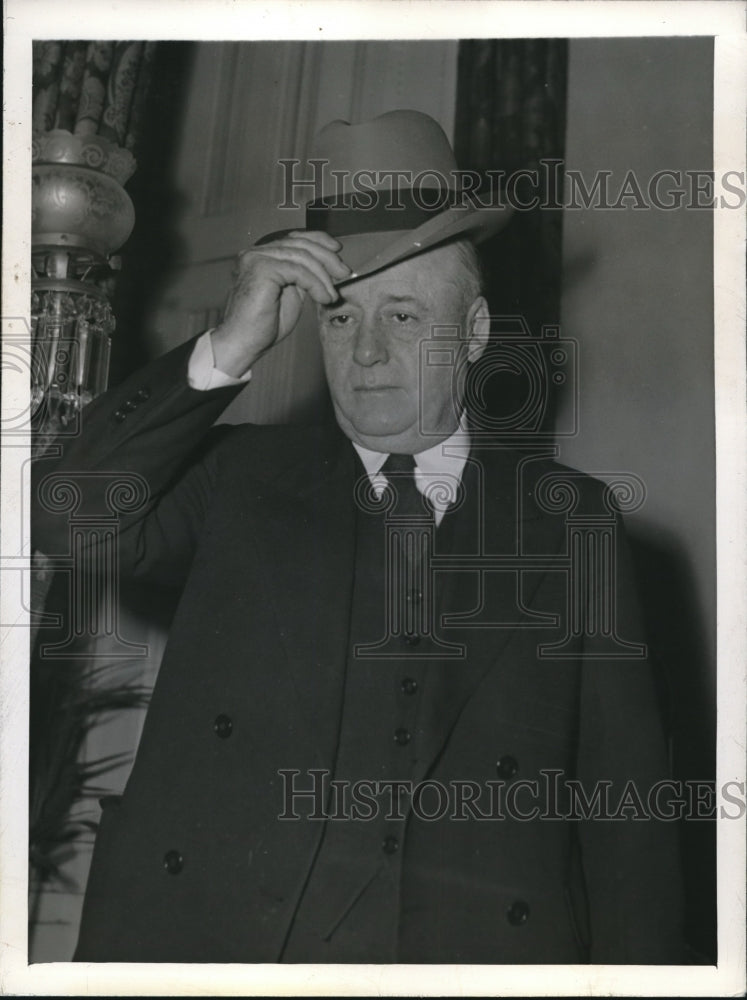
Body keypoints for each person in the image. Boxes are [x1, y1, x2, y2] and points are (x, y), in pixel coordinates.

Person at [32, 110, 685, 964]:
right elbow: (66, 519)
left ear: (475, 333)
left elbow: (626, 826)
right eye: (340, 319)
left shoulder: (574, 525)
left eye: (405, 318)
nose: (367, 353)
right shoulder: (239, 481)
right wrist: (226, 346)